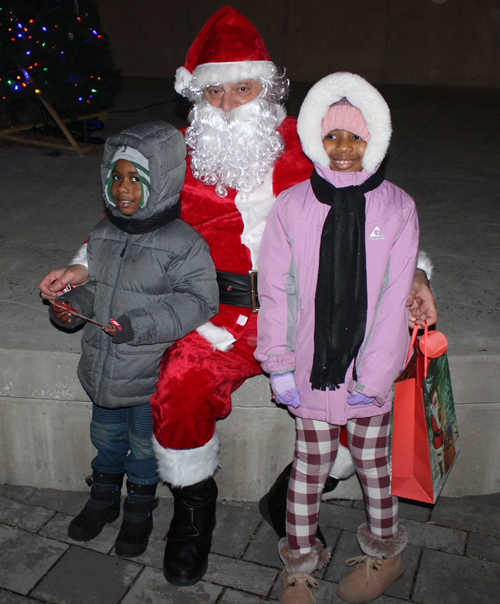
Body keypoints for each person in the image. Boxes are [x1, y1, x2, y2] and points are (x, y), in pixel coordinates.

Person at [38, 6, 436, 587]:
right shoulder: (176, 154)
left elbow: (378, 212)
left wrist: (417, 275)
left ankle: (291, 493)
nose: (228, 105)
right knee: (178, 385)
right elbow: (130, 215)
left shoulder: (308, 146)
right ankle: (193, 512)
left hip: (310, 315)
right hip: (213, 313)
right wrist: (81, 267)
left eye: (242, 89)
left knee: (362, 399)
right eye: (215, 92)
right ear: (196, 96)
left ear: (267, 90)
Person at [255, 72, 419, 604]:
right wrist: (278, 363)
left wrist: (374, 378)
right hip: (309, 368)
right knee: (310, 464)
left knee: (374, 464)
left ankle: (385, 551)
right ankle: (300, 563)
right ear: (312, 140)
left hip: (369, 371)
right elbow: (276, 289)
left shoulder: (397, 207)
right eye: (331, 136)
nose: (344, 148)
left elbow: (395, 298)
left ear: (378, 138)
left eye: (356, 136)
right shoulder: (292, 207)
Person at [48, 121, 218, 559]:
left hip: (147, 376)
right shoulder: (103, 234)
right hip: (103, 370)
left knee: (143, 449)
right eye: (116, 177)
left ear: (159, 182)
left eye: (135, 179)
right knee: (105, 439)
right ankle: (102, 498)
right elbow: (95, 287)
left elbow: (199, 301)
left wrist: (140, 323)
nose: (123, 189)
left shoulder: (183, 243)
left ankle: (139, 508)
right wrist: (71, 305)